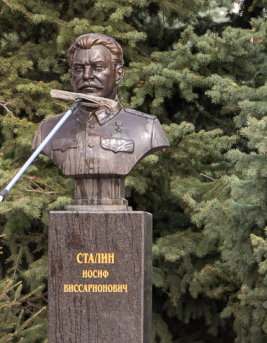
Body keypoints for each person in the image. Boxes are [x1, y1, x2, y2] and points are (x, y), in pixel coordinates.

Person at [32, 33, 169, 210]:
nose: (87, 76)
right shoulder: (49, 129)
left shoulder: (146, 128)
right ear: (71, 75)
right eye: (79, 69)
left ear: (118, 74)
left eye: (97, 67)